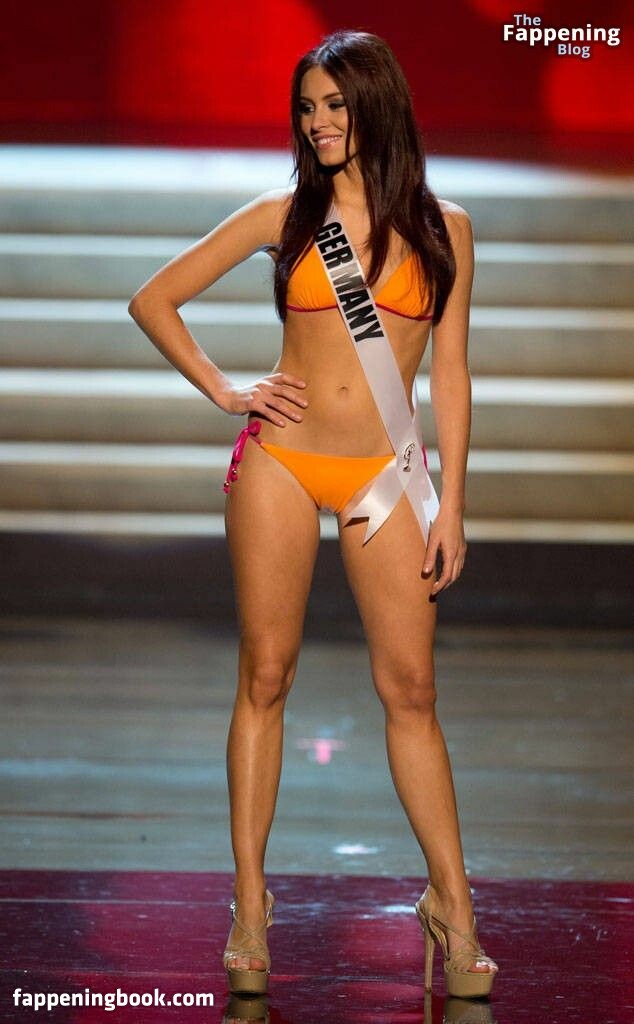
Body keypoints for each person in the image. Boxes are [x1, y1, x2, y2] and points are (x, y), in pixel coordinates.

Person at [128, 28, 499, 1001]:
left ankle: (452, 904)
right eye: (307, 108)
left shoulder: (447, 228)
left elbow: (453, 373)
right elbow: (154, 299)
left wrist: (453, 503)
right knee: (266, 674)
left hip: (388, 475)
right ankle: (251, 904)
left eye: (334, 105)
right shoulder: (281, 216)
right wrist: (224, 387)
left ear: (377, 106)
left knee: (411, 689)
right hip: (282, 465)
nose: (318, 123)